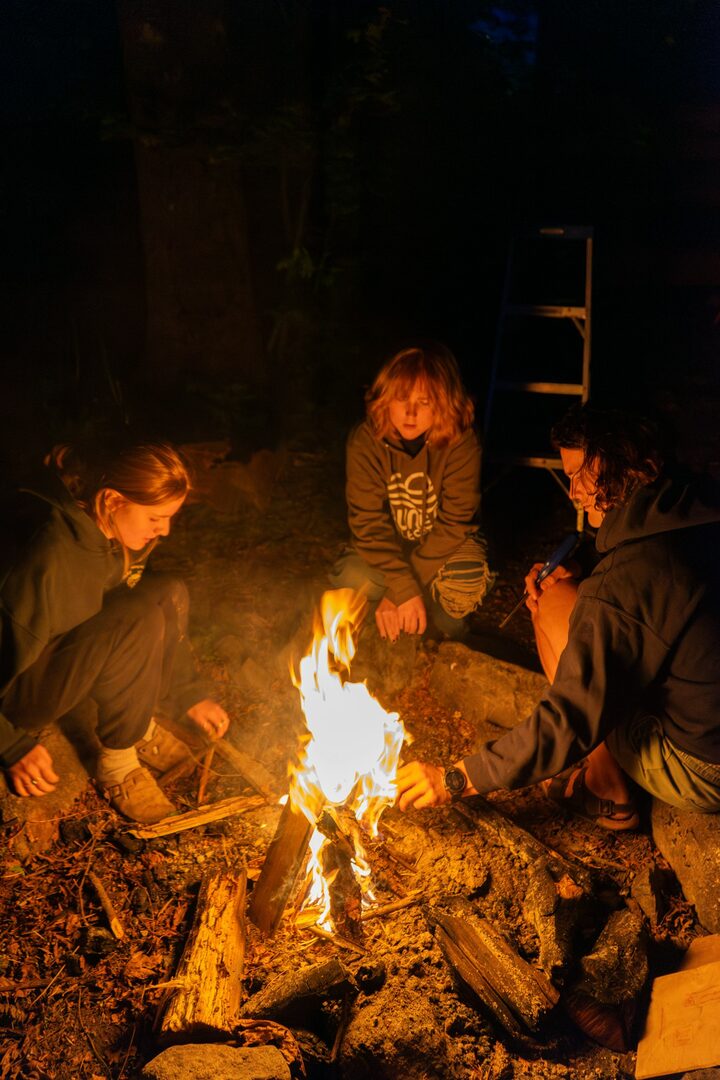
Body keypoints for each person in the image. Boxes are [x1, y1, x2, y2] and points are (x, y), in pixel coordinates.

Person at [396, 403, 720, 829]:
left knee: (553, 609)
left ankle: (608, 792)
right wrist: (585, 565)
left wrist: (455, 778)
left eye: (574, 475)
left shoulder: (632, 578)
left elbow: (569, 718)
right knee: (568, 601)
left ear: (607, 464)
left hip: (702, 769)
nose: (572, 493)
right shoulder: (695, 507)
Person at [0, 438, 230, 824]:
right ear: (112, 500)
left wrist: (189, 692)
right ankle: (119, 765)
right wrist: (11, 746)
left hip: (55, 653)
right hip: (16, 698)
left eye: (170, 517)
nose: (165, 531)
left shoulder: (103, 535)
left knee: (167, 593)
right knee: (137, 618)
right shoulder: (48, 559)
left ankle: (138, 724)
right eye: (155, 518)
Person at [330, 344, 495, 642]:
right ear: (385, 398)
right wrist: (402, 586)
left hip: (446, 546)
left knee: (464, 581)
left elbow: (455, 523)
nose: (410, 412)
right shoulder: (366, 442)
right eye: (402, 398)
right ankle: (375, 633)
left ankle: (444, 628)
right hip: (389, 545)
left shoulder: (461, 441)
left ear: (443, 403)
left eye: (424, 401)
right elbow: (367, 523)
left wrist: (399, 592)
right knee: (352, 578)